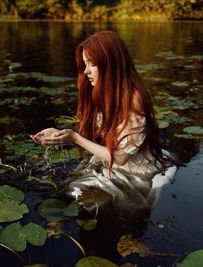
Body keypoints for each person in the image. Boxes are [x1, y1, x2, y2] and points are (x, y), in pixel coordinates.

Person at [31, 30, 177, 218]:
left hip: (135, 172)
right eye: (85, 64)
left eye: (92, 64)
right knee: (70, 191)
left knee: (91, 202)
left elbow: (120, 158)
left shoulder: (134, 99)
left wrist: (74, 137)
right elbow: (100, 136)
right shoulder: (102, 91)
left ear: (111, 64)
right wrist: (60, 135)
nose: (86, 71)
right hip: (109, 162)